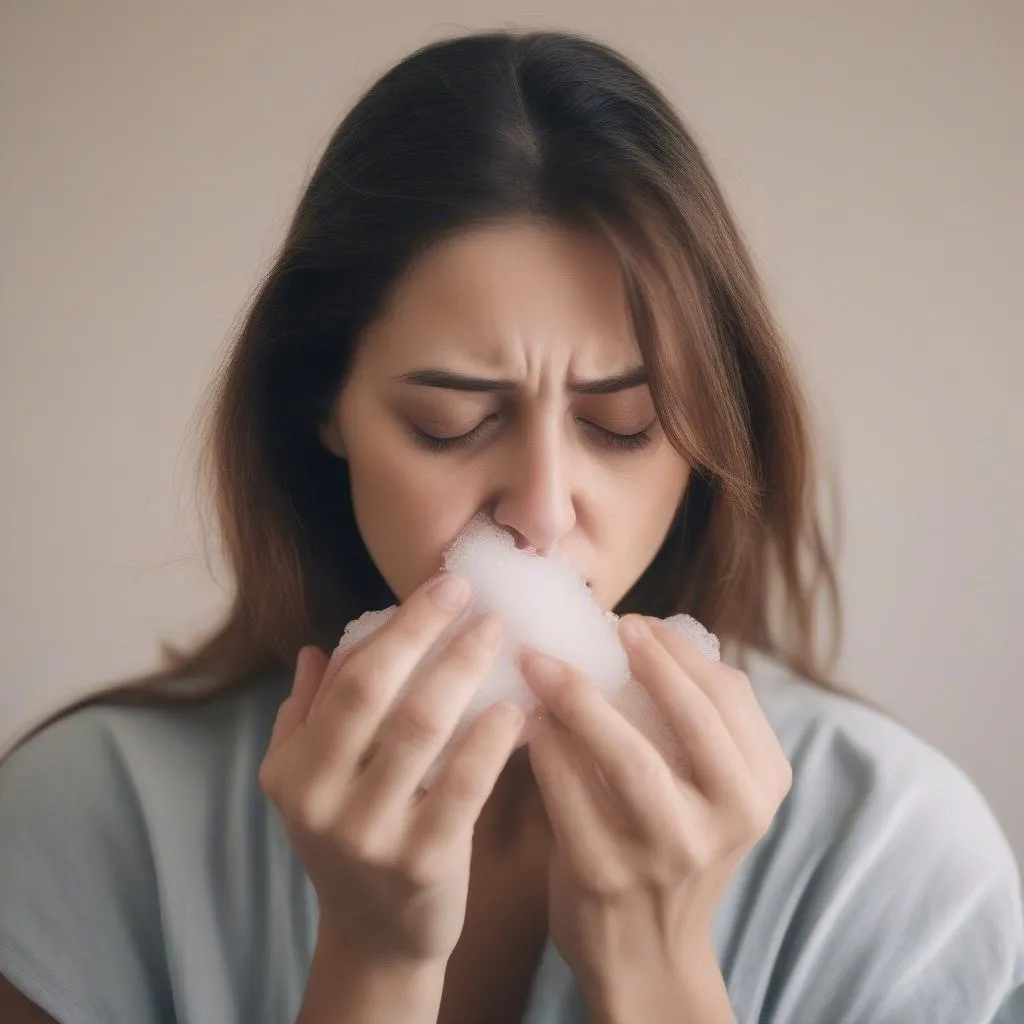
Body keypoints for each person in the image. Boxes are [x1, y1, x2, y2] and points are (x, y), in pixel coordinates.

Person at [1, 28, 1021, 1024]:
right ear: (324, 408)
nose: (539, 506)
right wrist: (372, 960)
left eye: (621, 426)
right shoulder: (83, 828)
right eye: (450, 422)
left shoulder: (891, 857)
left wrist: (656, 965)